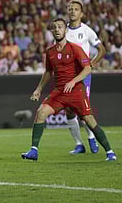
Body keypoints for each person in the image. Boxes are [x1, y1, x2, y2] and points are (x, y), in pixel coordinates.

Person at [21, 18, 116, 162]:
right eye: (54, 28)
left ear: (65, 30)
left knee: (89, 120)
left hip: (76, 91)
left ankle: (110, 152)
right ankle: (34, 151)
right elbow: (48, 72)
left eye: (60, 27)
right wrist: (38, 89)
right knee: (41, 112)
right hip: (59, 91)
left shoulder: (75, 48)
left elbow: (88, 68)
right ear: (52, 31)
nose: (57, 30)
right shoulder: (50, 52)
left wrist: (73, 81)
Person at [65, 0, 106, 154]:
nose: (72, 11)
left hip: (83, 75)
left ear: (81, 13)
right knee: (69, 110)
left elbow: (101, 49)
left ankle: (91, 136)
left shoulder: (87, 31)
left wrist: (93, 64)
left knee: (83, 109)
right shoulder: (64, 32)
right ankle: (78, 144)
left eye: (75, 9)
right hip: (67, 76)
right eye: (70, 9)